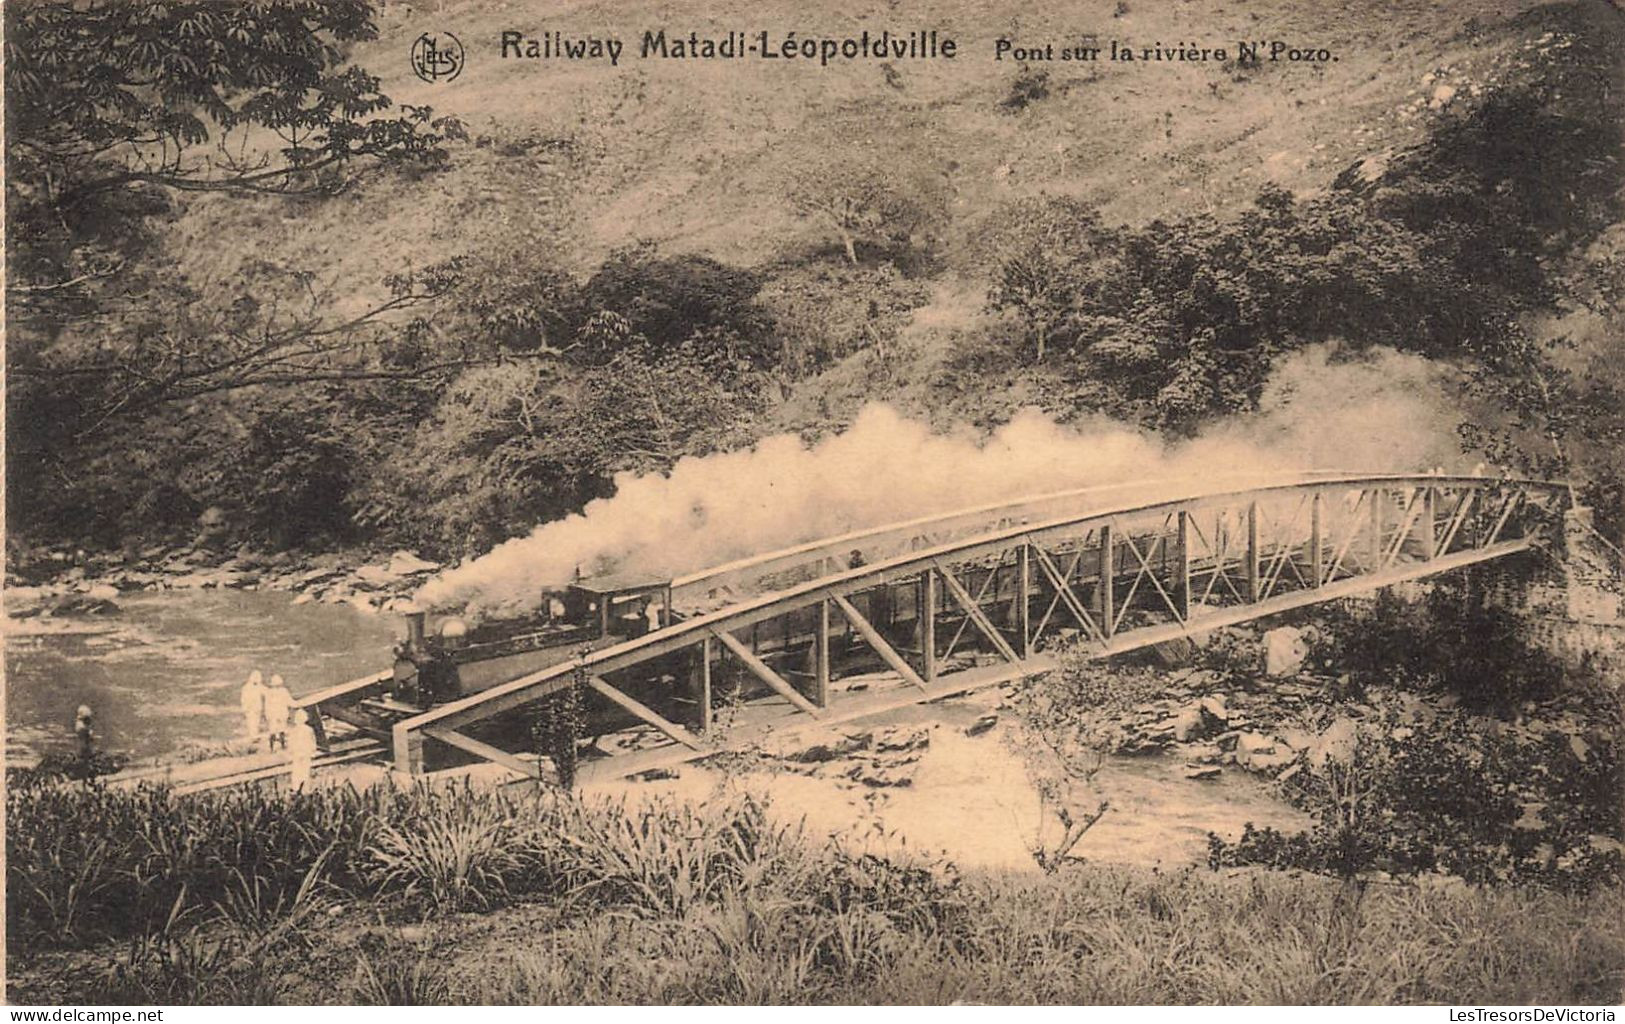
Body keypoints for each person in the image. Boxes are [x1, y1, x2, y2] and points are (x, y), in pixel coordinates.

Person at [285, 708, 318, 790]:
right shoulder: (309, 729)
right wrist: (313, 751)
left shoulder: (293, 731)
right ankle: (305, 786)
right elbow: (312, 741)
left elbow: (290, 743)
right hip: (306, 751)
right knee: (305, 769)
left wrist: (290, 753)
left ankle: (296, 786)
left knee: (296, 769)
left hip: (298, 752)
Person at [263, 674, 294, 752]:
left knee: (275, 731)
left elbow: (267, 705)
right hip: (278, 713)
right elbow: (289, 702)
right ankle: (279, 746)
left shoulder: (269, 692)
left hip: (275, 714)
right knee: (279, 730)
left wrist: (267, 715)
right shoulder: (282, 691)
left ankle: (273, 748)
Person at [239, 670, 267, 742]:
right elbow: (243, 699)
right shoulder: (246, 688)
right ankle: (253, 737)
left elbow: (267, 692)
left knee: (256, 722)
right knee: (251, 722)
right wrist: (245, 708)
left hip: (257, 708)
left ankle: (254, 736)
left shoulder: (259, 686)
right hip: (250, 708)